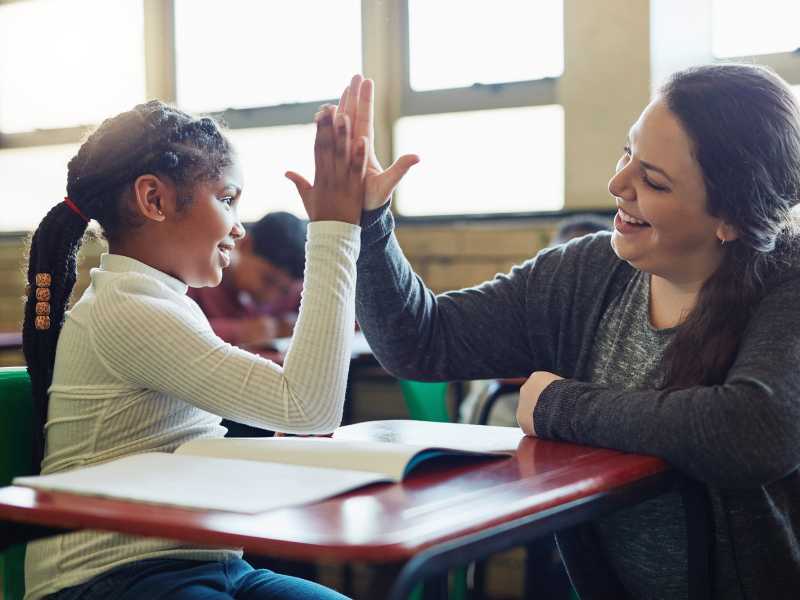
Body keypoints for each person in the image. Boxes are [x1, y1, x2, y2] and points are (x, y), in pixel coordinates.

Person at [348, 64, 800, 600]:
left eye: (653, 180)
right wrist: (368, 219)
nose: (617, 185)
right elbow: (419, 342)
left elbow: (752, 431)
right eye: (626, 153)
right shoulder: (584, 273)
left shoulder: (785, 281)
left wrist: (556, 405)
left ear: (731, 219)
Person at [21, 98, 377, 599]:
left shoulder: (163, 300)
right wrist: (335, 231)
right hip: (110, 578)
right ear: (155, 199)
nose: (239, 227)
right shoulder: (128, 310)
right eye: (227, 198)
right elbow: (308, 407)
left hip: (213, 561)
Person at [187, 212, 306, 352]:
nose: (270, 296)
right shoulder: (194, 274)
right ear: (245, 245)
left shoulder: (290, 288)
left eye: (283, 291)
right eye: (267, 280)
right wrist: (241, 332)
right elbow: (176, 330)